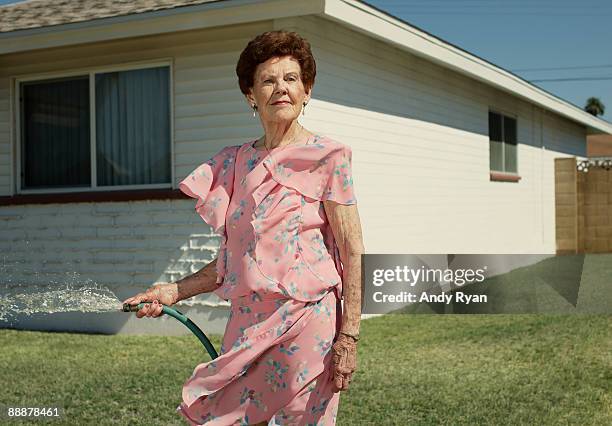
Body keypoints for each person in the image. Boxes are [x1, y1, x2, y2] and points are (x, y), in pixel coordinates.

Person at [122, 30, 365, 425]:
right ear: (251, 95)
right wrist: (171, 291)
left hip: (307, 323)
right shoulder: (233, 164)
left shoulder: (328, 156)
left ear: (307, 91)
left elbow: (352, 248)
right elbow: (230, 262)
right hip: (247, 325)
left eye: (291, 79)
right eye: (268, 80)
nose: (280, 88)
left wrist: (349, 337)